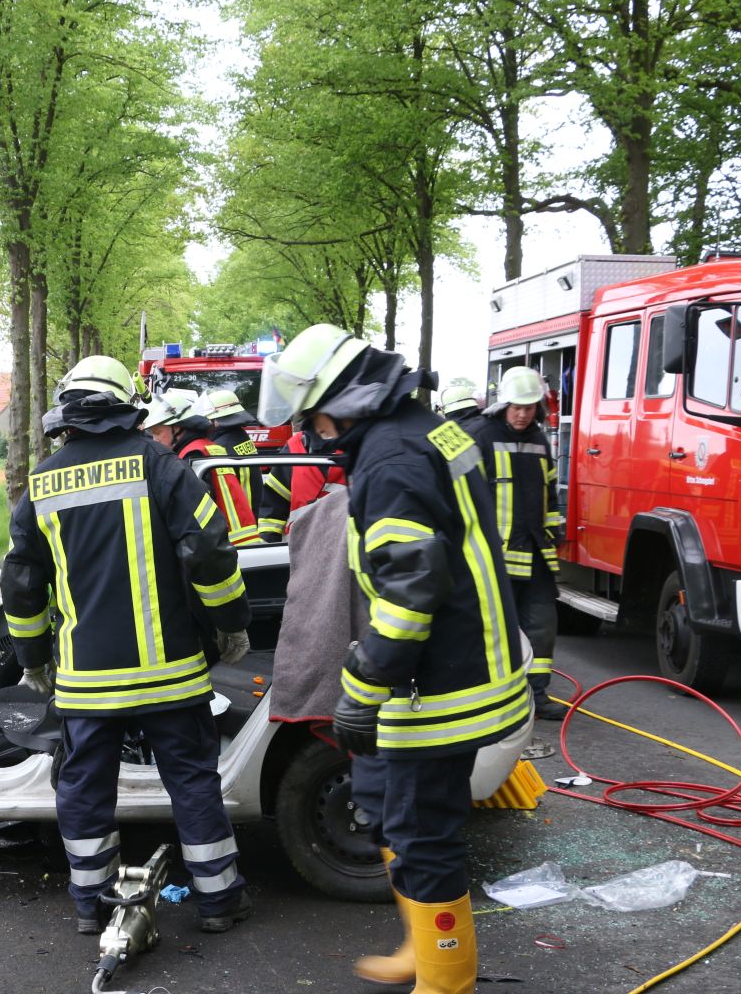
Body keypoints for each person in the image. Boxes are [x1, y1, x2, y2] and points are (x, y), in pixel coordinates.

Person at [260, 325, 528, 993]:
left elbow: (410, 594)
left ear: (343, 401)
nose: (313, 433)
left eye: (312, 418)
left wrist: (361, 684)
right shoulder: (425, 427)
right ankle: (422, 941)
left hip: (439, 683)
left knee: (422, 833)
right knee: (383, 802)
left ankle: (445, 980)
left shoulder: (390, 462)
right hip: (462, 662)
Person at [2, 356, 254, 936]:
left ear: (68, 409)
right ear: (125, 402)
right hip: (172, 674)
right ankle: (219, 902)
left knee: (85, 789)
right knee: (192, 783)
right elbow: (209, 549)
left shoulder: (42, 482)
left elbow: (21, 581)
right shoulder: (159, 463)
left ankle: (92, 906)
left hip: (88, 680)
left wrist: (33, 659)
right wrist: (231, 623)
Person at [461, 366, 566, 721]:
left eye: (530, 407)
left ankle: (536, 694)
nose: (523, 414)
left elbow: (549, 494)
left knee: (541, 623)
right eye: (517, 407)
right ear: (503, 404)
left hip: (534, 551)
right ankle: (490, 696)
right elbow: (460, 497)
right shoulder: (478, 435)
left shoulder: (539, 440)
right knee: (494, 627)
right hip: (494, 555)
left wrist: (554, 530)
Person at [139, 387, 263, 547]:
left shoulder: (192, 456)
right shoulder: (205, 446)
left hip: (223, 545)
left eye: (157, 432)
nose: (154, 439)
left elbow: (191, 517)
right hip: (241, 538)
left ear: (176, 428)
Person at [258, 425, 347, 540]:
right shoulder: (295, 447)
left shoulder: (361, 447)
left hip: (346, 547)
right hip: (300, 548)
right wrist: (270, 545)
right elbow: (273, 505)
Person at [197, 389, 265, 518]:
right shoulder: (240, 436)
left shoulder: (220, 447)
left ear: (215, 421)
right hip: (251, 513)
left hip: (237, 518)